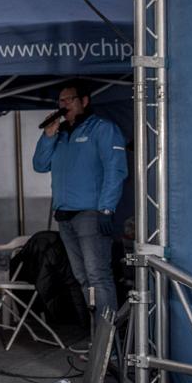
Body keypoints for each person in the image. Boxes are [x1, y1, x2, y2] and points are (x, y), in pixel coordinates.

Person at [32, 80, 128, 327]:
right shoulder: (60, 135)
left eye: (69, 100)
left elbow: (115, 170)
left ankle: (110, 344)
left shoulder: (102, 129)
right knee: (82, 278)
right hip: (65, 216)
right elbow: (40, 165)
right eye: (61, 101)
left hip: (91, 214)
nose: (64, 105)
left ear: (84, 101)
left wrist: (106, 208)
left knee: (98, 276)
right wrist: (48, 135)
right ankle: (97, 340)